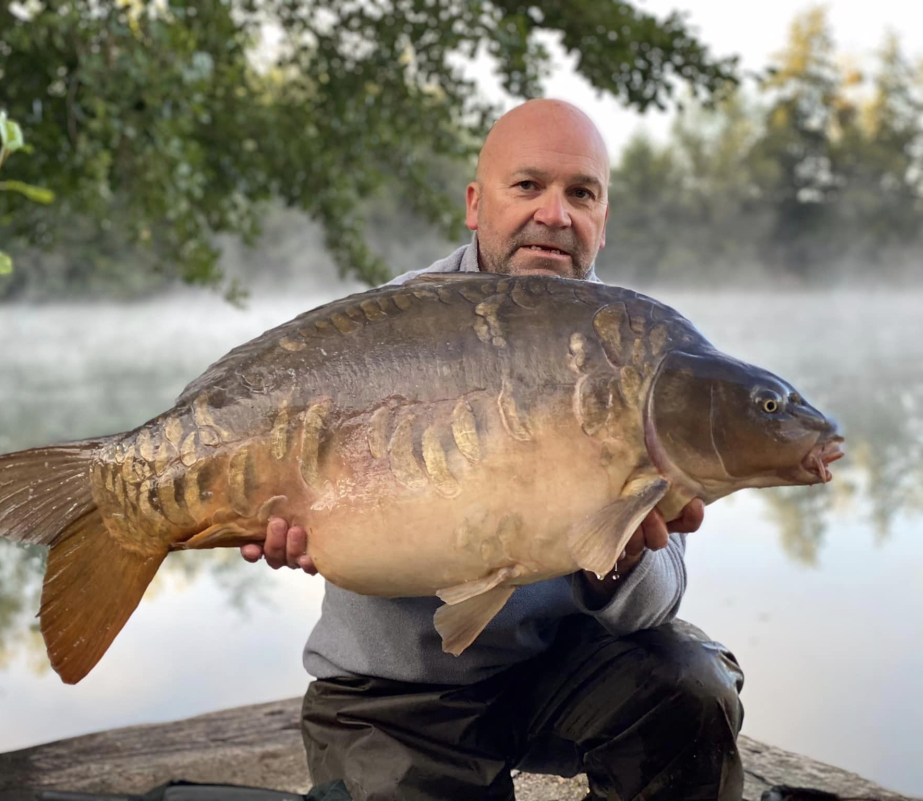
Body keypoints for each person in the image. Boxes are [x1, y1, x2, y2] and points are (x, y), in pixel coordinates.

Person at [241, 99, 745, 801]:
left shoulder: (639, 346)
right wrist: (278, 518)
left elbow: (657, 601)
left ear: (603, 219)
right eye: (528, 185)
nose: (555, 214)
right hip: (392, 693)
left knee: (692, 688)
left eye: (581, 194)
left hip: (556, 673)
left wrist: (620, 560)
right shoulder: (389, 326)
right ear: (476, 204)